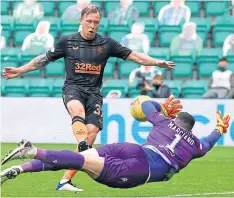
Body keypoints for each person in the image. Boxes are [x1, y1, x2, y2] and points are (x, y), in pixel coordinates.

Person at [2, 5, 175, 192]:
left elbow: (134, 56)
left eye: (96, 22)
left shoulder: (106, 43)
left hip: (94, 94)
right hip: (73, 89)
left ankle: (65, 180)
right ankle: (82, 145)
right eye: (89, 21)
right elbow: (42, 60)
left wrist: (157, 62)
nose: (92, 26)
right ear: (81, 21)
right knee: (77, 111)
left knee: (92, 131)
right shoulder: (67, 42)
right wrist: (20, 70)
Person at [1, 96, 231, 189]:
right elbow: (209, 142)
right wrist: (219, 129)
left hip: (135, 150)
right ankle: (31, 151)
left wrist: (162, 107)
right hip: (144, 170)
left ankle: (19, 168)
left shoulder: (163, 121)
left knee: (83, 158)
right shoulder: (196, 146)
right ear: (190, 128)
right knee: (81, 161)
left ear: (175, 118)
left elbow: (147, 105)